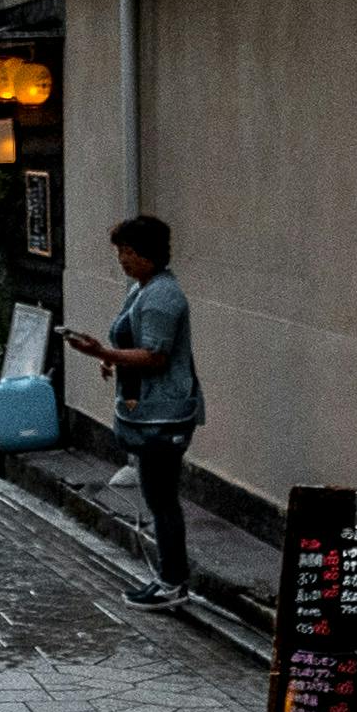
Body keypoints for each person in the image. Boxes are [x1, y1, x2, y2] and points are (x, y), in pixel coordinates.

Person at [68, 214, 205, 607]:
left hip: (164, 413)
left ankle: (173, 582)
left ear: (148, 253)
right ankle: (168, 577)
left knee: (161, 497)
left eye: (128, 252)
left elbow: (157, 356)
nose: (122, 259)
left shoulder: (162, 296)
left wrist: (105, 352)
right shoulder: (143, 288)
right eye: (120, 252)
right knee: (156, 494)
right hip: (148, 409)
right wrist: (112, 359)